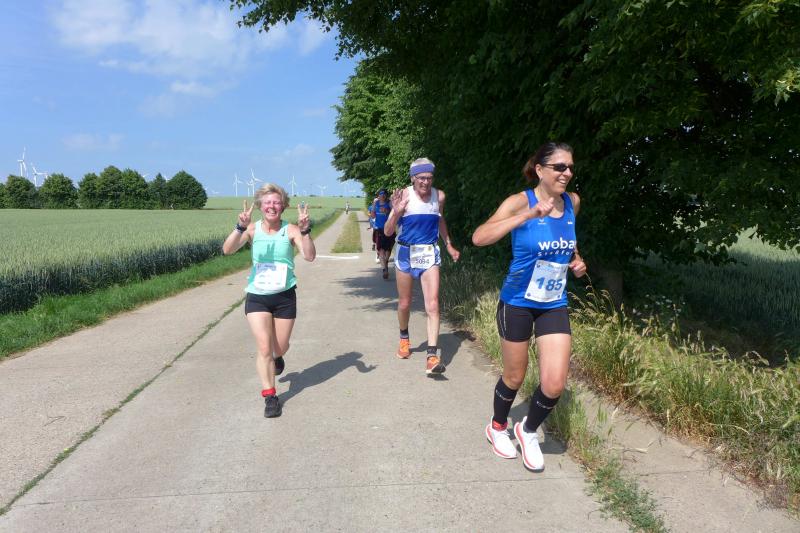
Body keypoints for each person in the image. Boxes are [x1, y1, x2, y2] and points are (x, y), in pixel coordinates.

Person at [471, 142, 586, 471]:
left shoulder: (572, 202)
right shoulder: (519, 202)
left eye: (570, 167)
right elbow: (480, 237)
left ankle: (528, 430)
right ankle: (497, 427)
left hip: (553, 302)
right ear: (540, 170)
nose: (567, 173)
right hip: (518, 302)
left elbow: (567, 240)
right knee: (514, 376)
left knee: (554, 383)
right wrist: (528, 215)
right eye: (559, 167)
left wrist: (576, 261)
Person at [222, 184, 316, 418]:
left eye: (276, 202)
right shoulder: (252, 229)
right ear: (260, 206)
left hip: (284, 296)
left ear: (283, 206)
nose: (272, 206)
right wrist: (239, 227)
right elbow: (227, 250)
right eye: (267, 202)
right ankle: (270, 396)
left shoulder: (290, 230)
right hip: (257, 297)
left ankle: (278, 356)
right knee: (263, 347)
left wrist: (305, 231)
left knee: (279, 347)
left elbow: (309, 256)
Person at [384, 158, 460, 375]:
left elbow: (440, 220)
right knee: (405, 303)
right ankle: (404, 338)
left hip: (428, 253)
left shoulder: (439, 196)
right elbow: (388, 231)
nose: (426, 182)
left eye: (429, 178)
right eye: (421, 178)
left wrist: (448, 244)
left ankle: (432, 356)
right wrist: (396, 211)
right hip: (406, 253)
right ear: (413, 178)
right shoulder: (404, 196)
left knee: (433, 304)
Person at [371, 189, 395, 279]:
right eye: (381, 194)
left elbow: (394, 212)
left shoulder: (389, 203)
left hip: (389, 229)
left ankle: (385, 263)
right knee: (381, 250)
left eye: (384, 194)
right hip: (379, 229)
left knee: (388, 250)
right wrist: (374, 204)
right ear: (378, 196)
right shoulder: (376, 204)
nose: (383, 195)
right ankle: (384, 269)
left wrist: (388, 209)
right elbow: (373, 216)